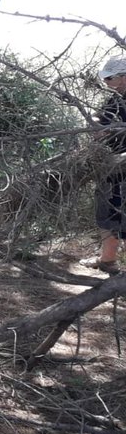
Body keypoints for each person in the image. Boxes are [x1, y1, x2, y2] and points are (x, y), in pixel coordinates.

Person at [88, 56, 126, 273]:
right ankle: (108, 261)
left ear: (123, 77)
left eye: (110, 78)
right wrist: (95, 122)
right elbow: (100, 120)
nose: (106, 82)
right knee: (107, 213)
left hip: (122, 166)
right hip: (111, 168)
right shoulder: (114, 99)